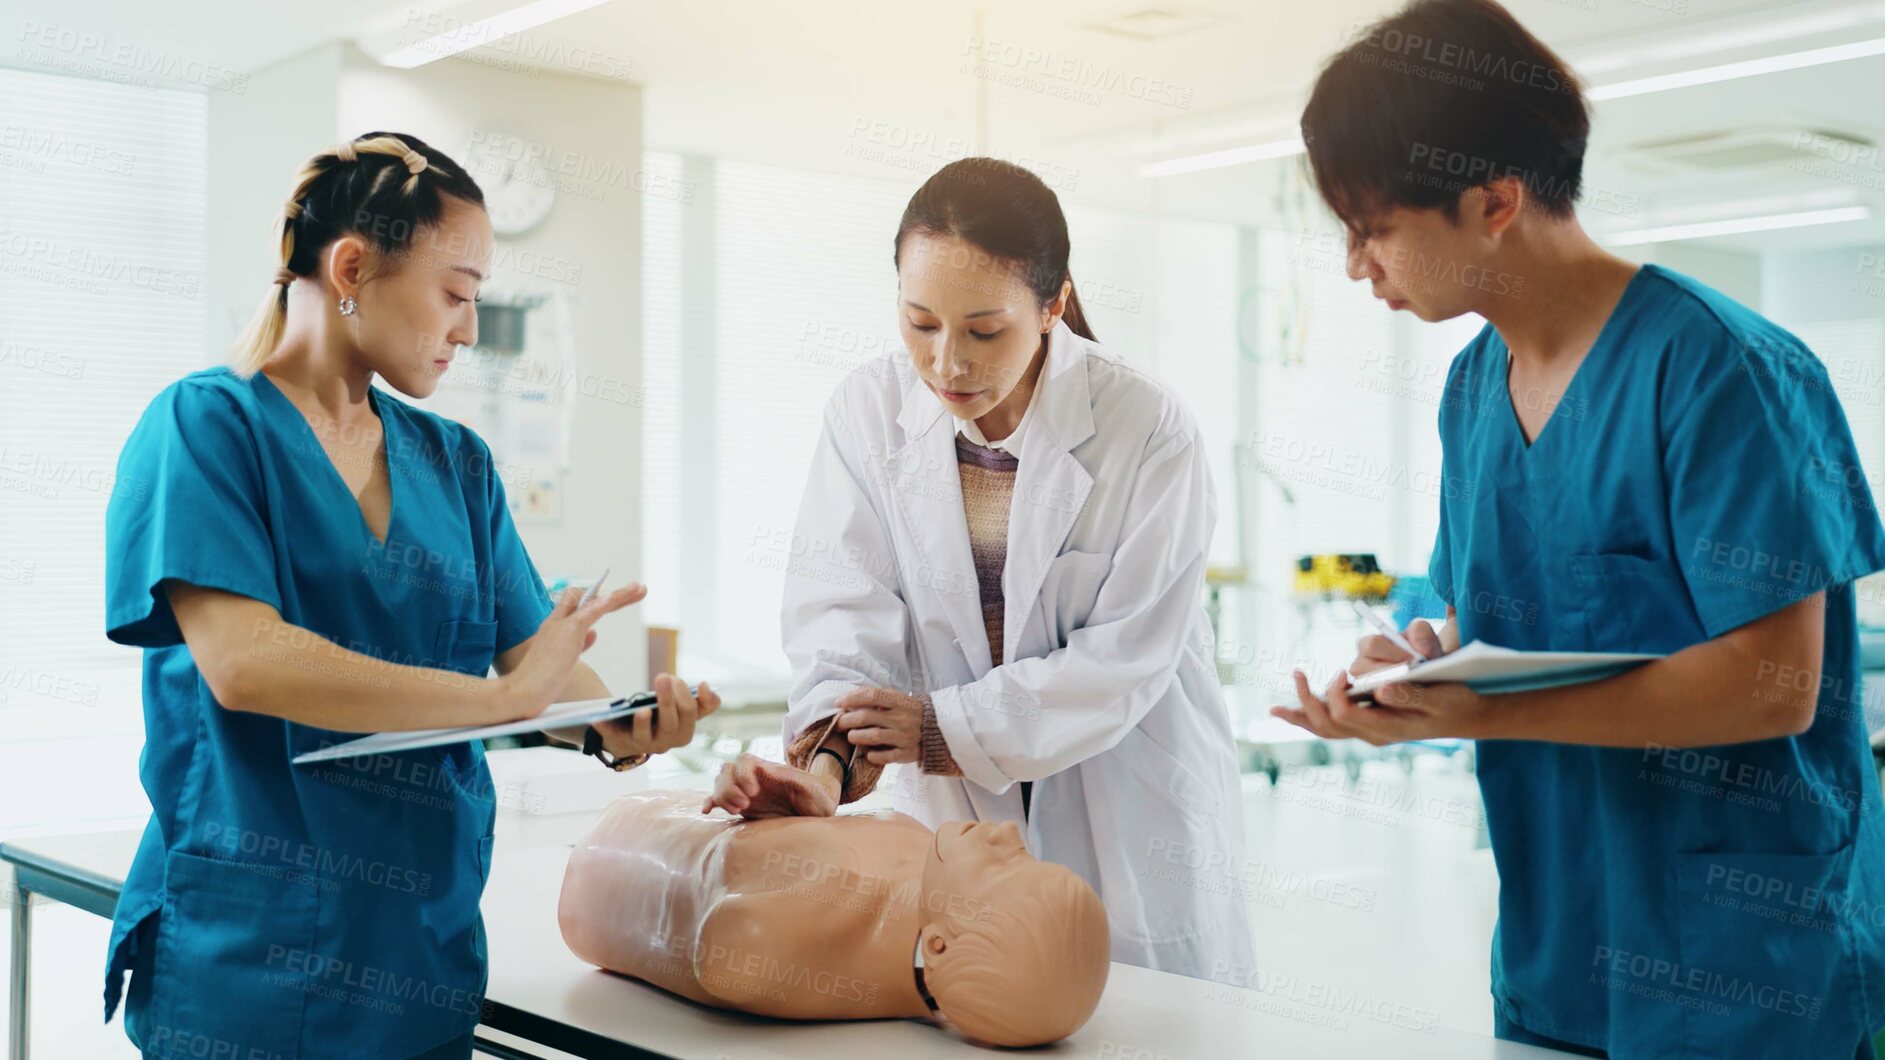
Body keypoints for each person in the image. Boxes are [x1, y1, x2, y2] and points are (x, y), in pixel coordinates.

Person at [1276, 3, 1885, 1057]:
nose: (1354, 264)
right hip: (1558, 954)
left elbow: (1775, 686)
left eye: (1372, 227)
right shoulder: (1473, 391)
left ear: (1494, 200)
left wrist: (1475, 714)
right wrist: (1417, 674)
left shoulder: (1724, 370)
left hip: (1749, 972)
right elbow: (1499, 623)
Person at [102, 132, 719, 1059]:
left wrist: (622, 727)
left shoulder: (455, 465)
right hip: (245, 963)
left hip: (414, 956)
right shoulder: (207, 425)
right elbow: (245, 663)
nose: (470, 329)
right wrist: (509, 700)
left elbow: (530, 666)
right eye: (457, 294)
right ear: (351, 266)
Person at [703, 157, 1255, 983]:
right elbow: (842, 621)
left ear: (1053, 304)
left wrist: (940, 729)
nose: (946, 365)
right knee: (974, 1000)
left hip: (1123, 799)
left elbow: (1126, 659)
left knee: (1135, 1020)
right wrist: (822, 766)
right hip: (952, 818)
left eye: (983, 331)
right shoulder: (866, 413)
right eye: (919, 323)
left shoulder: (1144, 426)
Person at [558, 788, 1110, 1046]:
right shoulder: (921, 869)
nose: (1009, 833)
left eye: (1004, 867)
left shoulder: (792, 929)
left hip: (601, 865)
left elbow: (720, 956)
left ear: (938, 947)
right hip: (635, 815)